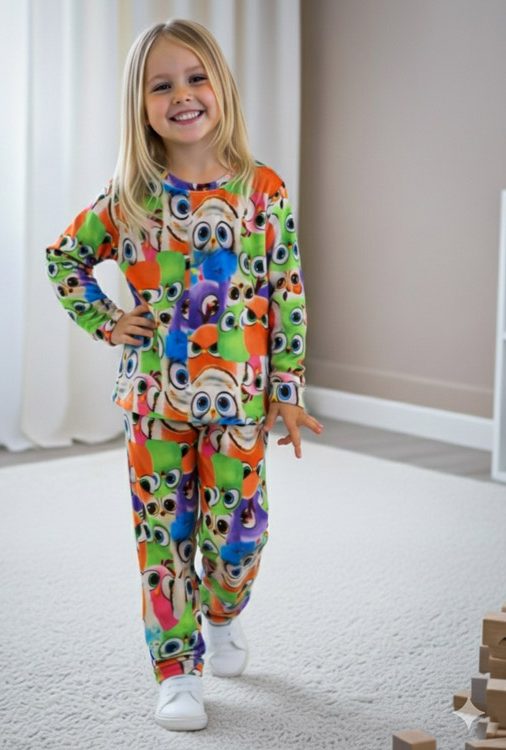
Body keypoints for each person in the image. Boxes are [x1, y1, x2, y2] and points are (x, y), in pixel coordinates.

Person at [45, 17, 324, 732]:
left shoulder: (263, 189)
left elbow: (286, 290)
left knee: (240, 536)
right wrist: (109, 321)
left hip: (240, 401)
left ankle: (224, 613)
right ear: (141, 106)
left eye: (196, 78)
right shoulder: (128, 196)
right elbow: (64, 258)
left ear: (221, 87)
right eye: (161, 85)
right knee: (163, 540)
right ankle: (176, 672)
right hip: (153, 402)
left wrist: (288, 388)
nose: (182, 95)